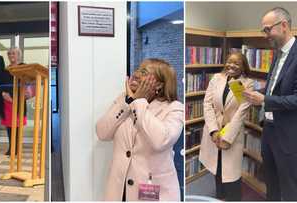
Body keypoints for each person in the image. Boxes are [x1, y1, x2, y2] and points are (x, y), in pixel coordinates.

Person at [96, 58, 183, 201]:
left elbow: (161, 141)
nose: (136, 74)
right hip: (119, 189)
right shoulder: (125, 100)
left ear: (159, 85)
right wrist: (127, 103)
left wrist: (139, 102)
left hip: (152, 190)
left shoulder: (174, 108)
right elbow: (102, 132)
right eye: (137, 69)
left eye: (144, 72)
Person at [243, 7, 297, 201]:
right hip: (269, 130)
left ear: (284, 26)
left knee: (290, 186)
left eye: (267, 29)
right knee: (271, 182)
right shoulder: (277, 54)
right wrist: (256, 95)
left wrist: (265, 100)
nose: (265, 35)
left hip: (288, 135)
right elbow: (274, 89)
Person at [199, 52, 253, 201]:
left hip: (232, 136)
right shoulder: (217, 79)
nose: (231, 65)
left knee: (231, 176)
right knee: (217, 171)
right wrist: (214, 131)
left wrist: (226, 137)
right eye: (229, 62)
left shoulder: (247, 84)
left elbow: (241, 113)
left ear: (243, 67)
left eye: (236, 63)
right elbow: (207, 104)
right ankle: (220, 198)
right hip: (214, 133)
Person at [0, 47, 27, 156]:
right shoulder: (5, 69)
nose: (12, 56)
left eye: (14, 53)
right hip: (7, 102)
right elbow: (0, 84)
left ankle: (17, 148)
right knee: (10, 126)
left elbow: (29, 81)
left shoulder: (24, 67)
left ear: (18, 55)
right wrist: (3, 94)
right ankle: (11, 148)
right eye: (10, 54)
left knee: (18, 126)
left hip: (20, 101)